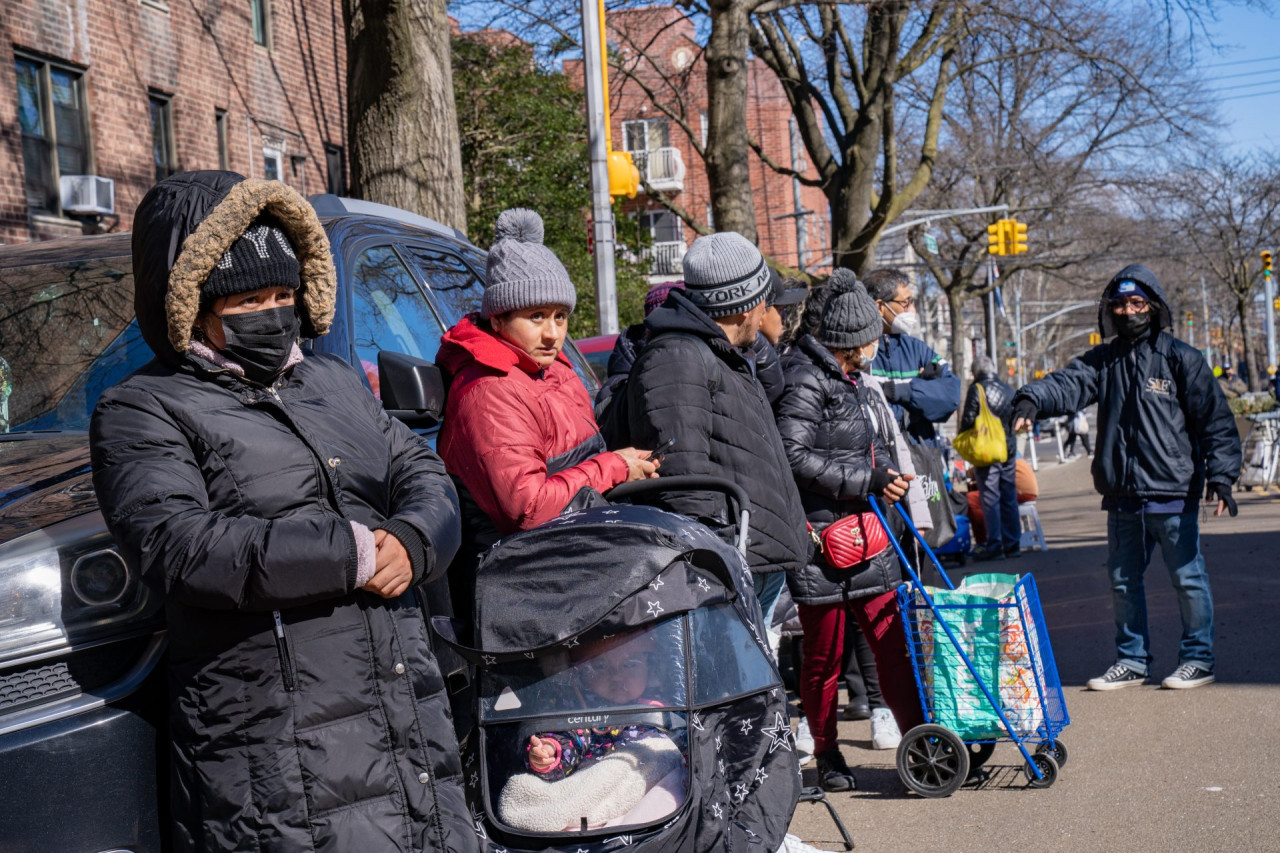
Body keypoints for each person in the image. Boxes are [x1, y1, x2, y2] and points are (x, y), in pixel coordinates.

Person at [89, 171, 476, 852]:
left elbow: (420, 471)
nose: (272, 312)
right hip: (278, 743)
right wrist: (350, 553)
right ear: (193, 305)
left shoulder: (331, 379)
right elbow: (181, 543)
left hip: (401, 707)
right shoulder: (143, 409)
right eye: (248, 300)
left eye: (284, 294)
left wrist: (414, 539)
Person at [1012, 264, 1241, 691]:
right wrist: (1030, 399)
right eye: (1119, 304)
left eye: (1137, 303)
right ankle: (1132, 660)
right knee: (1122, 583)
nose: (1127, 311)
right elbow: (1067, 384)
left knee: (1188, 579)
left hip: (1173, 494)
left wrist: (1223, 477)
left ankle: (1198, 658)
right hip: (1122, 497)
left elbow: (1216, 422)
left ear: (1153, 307)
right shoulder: (1104, 360)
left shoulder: (1182, 359)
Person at [437, 209, 657, 617]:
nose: (553, 333)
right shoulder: (489, 391)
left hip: (575, 567)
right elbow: (529, 509)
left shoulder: (554, 370)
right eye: (536, 316)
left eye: (560, 316)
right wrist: (614, 466)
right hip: (526, 591)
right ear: (499, 318)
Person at [775, 271, 929, 791]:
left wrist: (886, 474)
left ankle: (921, 742)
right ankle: (828, 753)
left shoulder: (850, 379)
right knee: (823, 659)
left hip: (868, 534)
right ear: (852, 340)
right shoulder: (804, 378)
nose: (877, 346)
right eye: (872, 338)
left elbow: (867, 444)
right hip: (822, 543)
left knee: (893, 644)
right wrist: (867, 478)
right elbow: (791, 456)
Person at [619, 231, 811, 639]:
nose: (765, 315)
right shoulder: (678, 357)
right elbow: (683, 475)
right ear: (742, 308)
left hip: (749, 561)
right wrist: (723, 560)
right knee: (730, 690)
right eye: (763, 304)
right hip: (729, 569)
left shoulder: (716, 355)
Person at [864, 268, 961, 445]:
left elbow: (951, 396)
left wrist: (903, 392)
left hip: (921, 459)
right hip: (880, 462)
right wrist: (921, 395)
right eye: (905, 303)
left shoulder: (918, 349)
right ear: (880, 307)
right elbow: (867, 413)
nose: (911, 309)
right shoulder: (861, 352)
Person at [958, 355, 1020, 561]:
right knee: (1009, 496)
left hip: (987, 451)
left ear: (975, 372)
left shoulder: (978, 389)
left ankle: (995, 544)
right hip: (1008, 449)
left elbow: (967, 420)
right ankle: (1013, 544)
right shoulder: (1007, 388)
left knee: (990, 498)